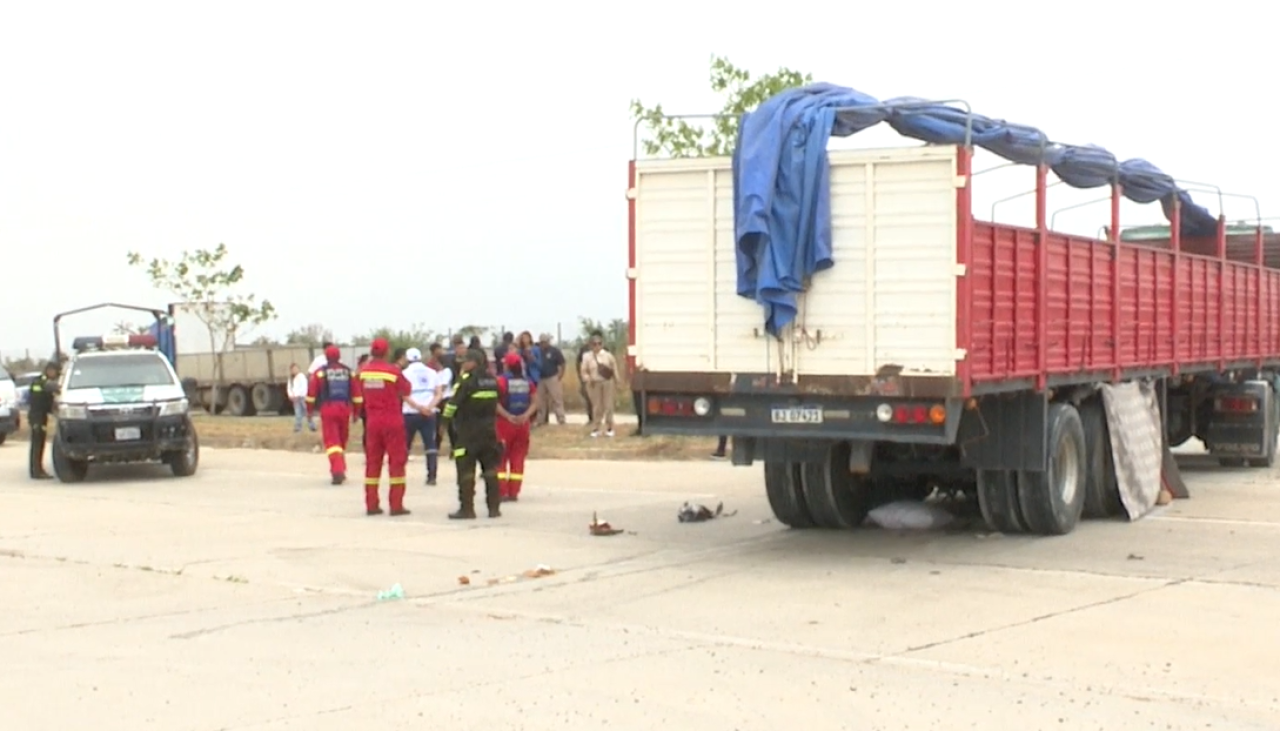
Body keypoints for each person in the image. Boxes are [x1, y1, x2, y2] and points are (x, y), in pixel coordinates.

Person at [353, 338, 430, 516]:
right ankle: (396, 505)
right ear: (387, 352)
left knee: (373, 463)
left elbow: (358, 390)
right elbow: (407, 389)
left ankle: (371, 504)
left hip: (372, 423)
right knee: (396, 463)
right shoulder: (393, 372)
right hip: (392, 421)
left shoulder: (363, 373)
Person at [442, 349, 503, 520]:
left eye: (465, 361)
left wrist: (443, 422)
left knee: (466, 470)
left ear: (474, 362)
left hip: (468, 432)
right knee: (490, 469)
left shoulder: (466, 380)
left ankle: (467, 509)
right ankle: (494, 508)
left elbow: (452, 405)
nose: (463, 364)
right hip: (489, 431)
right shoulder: (492, 380)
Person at [306, 345, 355, 484]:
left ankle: (337, 471)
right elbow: (357, 395)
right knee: (342, 440)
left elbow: (311, 395)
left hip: (328, 409)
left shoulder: (320, 373)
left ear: (326, 357)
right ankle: (342, 468)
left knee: (332, 442)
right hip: (345, 409)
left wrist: (309, 411)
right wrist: (356, 412)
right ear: (339, 356)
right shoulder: (349, 372)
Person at [496, 352, 538, 502]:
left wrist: (507, 416)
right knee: (518, 458)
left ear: (507, 365)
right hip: (523, 425)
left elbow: (495, 403)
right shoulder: (528, 382)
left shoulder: (501, 381)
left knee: (500, 458)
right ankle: (514, 492)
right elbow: (534, 402)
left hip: (504, 424)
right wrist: (526, 416)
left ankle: (501, 491)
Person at [401, 347, 441, 486]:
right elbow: (438, 393)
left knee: (405, 446)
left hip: (410, 413)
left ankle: (399, 474)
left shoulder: (404, 373)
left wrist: (418, 408)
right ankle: (432, 476)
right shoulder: (432, 372)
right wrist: (429, 407)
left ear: (407, 359)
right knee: (430, 445)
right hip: (430, 413)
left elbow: (404, 395)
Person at [27, 360, 61, 480]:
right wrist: (55, 388)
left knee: (40, 443)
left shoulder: (46, 382)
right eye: (54, 371)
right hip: (37, 417)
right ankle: (36, 471)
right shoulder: (39, 381)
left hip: (42, 416)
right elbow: (41, 392)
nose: (55, 374)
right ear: (49, 370)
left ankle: (37, 469)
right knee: (37, 444)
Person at [580, 332, 618, 438]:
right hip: (594, 383)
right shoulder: (587, 356)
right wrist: (588, 379)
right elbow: (583, 371)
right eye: (594, 344)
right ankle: (596, 427)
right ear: (591, 345)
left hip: (607, 382)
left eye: (599, 343)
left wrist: (617, 381)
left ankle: (610, 427)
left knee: (608, 405)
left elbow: (614, 369)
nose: (597, 346)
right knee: (597, 406)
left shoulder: (608, 355)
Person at [428, 342, 453, 474]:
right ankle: (436, 447)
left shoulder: (446, 371)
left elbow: (442, 386)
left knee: (448, 424)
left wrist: (436, 393)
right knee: (438, 425)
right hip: (437, 399)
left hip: (446, 399)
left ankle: (453, 449)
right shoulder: (432, 371)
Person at [535, 333, 566, 426]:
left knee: (556, 399)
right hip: (540, 378)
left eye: (545, 342)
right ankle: (541, 420)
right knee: (540, 401)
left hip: (552, 377)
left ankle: (561, 419)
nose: (543, 344)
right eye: (541, 342)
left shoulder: (554, 351)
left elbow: (562, 363)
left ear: (548, 342)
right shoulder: (537, 351)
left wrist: (560, 375)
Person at [287, 363, 315, 433]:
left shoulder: (302, 377)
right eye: (293, 369)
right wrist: (291, 395)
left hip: (303, 397)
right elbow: (289, 388)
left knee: (307, 412)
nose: (294, 370)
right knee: (298, 413)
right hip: (295, 399)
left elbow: (303, 387)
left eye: (296, 368)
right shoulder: (291, 379)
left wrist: (298, 395)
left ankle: (312, 426)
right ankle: (298, 427)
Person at [355, 353, 370, 452]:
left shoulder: (362, 372)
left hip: (368, 404)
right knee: (368, 429)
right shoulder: (360, 373)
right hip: (366, 405)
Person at [576, 340, 593, 425]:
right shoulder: (584, 350)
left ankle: (598, 418)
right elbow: (578, 362)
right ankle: (591, 418)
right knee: (588, 398)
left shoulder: (603, 350)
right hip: (586, 378)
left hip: (598, 378)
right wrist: (580, 376)